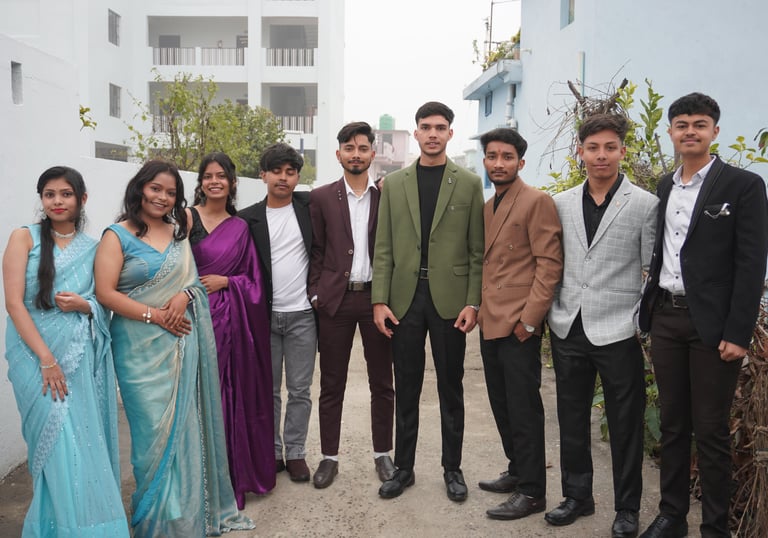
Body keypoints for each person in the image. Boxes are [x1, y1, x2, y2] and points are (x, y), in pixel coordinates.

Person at [94, 160, 254, 537]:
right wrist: (155, 316)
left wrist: (184, 295)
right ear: (139, 189)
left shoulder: (178, 233)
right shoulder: (116, 235)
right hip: (138, 350)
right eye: (155, 188)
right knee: (151, 437)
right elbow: (105, 293)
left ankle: (182, 519)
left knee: (184, 431)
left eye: (170, 193)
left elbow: (194, 283)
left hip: (181, 342)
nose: (162, 197)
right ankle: (155, 521)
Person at [638, 93, 768, 538]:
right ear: (670, 132)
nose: (689, 131)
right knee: (672, 424)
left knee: (711, 430)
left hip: (713, 326)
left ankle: (715, 527)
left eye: (699, 124)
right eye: (681, 124)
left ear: (715, 131)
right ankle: (672, 516)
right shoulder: (664, 186)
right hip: (666, 318)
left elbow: (751, 264)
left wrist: (738, 331)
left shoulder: (743, 186)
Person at [546, 114, 658, 538]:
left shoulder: (644, 204)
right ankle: (577, 496)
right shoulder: (560, 202)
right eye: (593, 148)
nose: (601, 155)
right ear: (580, 151)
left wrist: (638, 323)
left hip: (618, 330)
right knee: (571, 418)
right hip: (568, 326)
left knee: (625, 424)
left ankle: (627, 508)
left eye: (610, 147)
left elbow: (650, 271)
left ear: (622, 151)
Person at [3, 166, 130, 537]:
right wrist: (47, 360)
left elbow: (105, 300)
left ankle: (80, 528)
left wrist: (85, 305)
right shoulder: (23, 238)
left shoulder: (94, 248)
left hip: (77, 359)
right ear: (41, 199)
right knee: (54, 447)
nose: (57, 201)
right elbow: (14, 303)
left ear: (82, 199)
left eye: (66, 194)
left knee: (80, 445)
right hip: (33, 359)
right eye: (49, 194)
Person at [372, 101, 484, 502]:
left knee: (451, 387)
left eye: (440, 127)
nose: (433, 133)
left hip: (450, 300)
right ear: (416, 132)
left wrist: (473, 302)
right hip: (405, 298)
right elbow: (383, 247)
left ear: (450, 133)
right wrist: (379, 300)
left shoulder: (469, 183)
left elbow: (476, 251)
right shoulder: (394, 183)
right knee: (407, 386)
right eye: (426, 127)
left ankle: (452, 469)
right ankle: (404, 468)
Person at [475, 128, 563, 520]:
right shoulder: (488, 206)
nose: (499, 163)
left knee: (524, 409)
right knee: (502, 404)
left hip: (519, 324)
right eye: (492, 156)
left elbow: (549, 264)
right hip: (490, 319)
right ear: (484, 161)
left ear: (520, 162)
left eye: (507, 157)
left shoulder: (536, 201)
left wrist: (530, 321)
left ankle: (532, 492)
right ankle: (517, 469)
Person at [308, 122, 395, 489]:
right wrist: (316, 293)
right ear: (339, 153)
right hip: (335, 301)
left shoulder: (387, 196)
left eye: (362, 148)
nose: (355, 154)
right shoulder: (321, 197)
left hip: (377, 299)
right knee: (332, 383)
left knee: (382, 382)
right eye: (349, 148)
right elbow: (315, 248)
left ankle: (383, 454)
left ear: (373, 153)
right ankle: (329, 457)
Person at [186, 152, 274, 508]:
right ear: (200, 182)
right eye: (208, 176)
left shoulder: (240, 227)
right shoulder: (186, 218)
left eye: (221, 176)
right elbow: (169, 263)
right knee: (194, 397)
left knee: (226, 397)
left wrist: (228, 282)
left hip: (230, 324)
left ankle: (227, 478)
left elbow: (254, 282)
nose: (215, 181)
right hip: (190, 318)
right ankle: (195, 481)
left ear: (232, 182)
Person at [239, 143, 316, 483]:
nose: (283, 178)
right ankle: (271, 452)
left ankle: (296, 452)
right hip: (264, 318)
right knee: (267, 390)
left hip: (303, 316)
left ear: (298, 177)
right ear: (263, 175)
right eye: (276, 171)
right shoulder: (247, 219)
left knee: (300, 389)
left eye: (290, 172)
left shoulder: (310, 208)